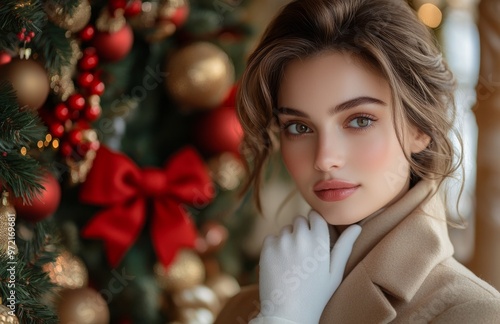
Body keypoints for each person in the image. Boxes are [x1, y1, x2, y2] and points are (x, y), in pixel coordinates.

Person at [215, 0, 500, 323]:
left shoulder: (473, 314)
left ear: (420, 127)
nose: (324, 159)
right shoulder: (240, 311)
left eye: (360, 120)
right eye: (299, 127)